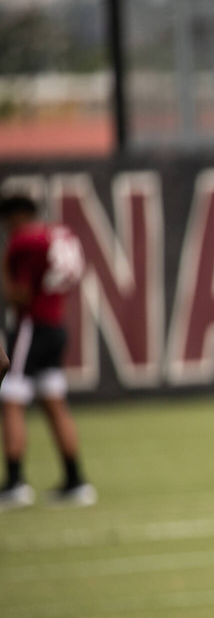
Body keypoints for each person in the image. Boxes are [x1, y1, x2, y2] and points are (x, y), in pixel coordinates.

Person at [0, 182, 93, 511]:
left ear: (17, 215)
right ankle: (75, 479)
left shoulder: (24, 241)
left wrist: (4, 273)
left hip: (31, 326)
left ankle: (14, 482)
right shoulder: (58, 234)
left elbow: (21, 296)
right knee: (54, 400)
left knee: (10, 399)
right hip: (56, 324)